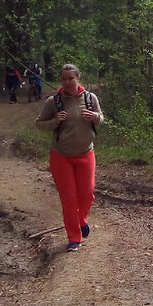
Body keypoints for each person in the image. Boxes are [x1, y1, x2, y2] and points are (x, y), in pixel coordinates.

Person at [35, 64, 103, 253]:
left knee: (87, 193)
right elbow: (39, 124)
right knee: (69, 198)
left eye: (70, 78)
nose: (67, 82)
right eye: (64, 79)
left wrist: (95, 116)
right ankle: (74, 238)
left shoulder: (90, 98)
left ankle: (81, 220)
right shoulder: (54, 101)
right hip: (61, 156)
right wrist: (56, 121)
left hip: (86, 153)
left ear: (78, 77)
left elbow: (101, 118)